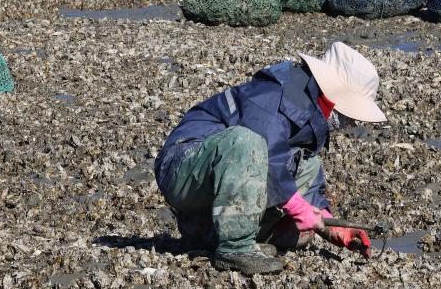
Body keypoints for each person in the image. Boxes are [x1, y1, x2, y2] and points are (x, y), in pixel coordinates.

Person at [155, 42, 386, 275]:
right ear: (333, 99)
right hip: (183, 164)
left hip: (218, 172)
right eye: (351, 115)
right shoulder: (275, 96)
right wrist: (298, 208)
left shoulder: (307, 106)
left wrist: (331, 226)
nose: (353, 123)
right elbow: (268, 156)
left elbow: (300, 168)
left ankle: (205, 231)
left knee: (306, 175)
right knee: (248, 142)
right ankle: (235, 248)